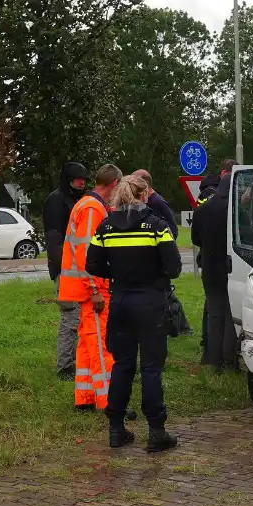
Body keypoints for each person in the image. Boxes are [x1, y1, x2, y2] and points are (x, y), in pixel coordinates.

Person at [86, 174, 183, 452]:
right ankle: (156, 432)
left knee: (122, 365)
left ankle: (116, 429)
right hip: (151, 303)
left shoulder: (105, 227)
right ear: (143, 195)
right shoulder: (156, 226)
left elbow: (92, 264)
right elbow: (174, 267)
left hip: (120, 302)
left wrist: (115, 273)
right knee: (151, 368)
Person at [58, 163, 122, 411]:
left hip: (85, 288)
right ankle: (109, 401)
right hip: (93, 289)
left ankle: (84, 398)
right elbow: (87, 252)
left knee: (86, 344)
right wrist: (95, 288)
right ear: (114, 184)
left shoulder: (86, 204)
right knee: (101, 345)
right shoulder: (93, 208)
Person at [43, 161, 88, 380]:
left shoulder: (79, 200)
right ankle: (65, 366)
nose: (82, 183)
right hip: (65, 269)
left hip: (79, 268)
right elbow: (54, 240)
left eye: (84, 179)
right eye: (78, 179)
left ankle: (76, 361)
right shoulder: (56, 201)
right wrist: (64, 269)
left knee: (80, 318)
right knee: (70, 317)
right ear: (68, 179)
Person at [191, 165, 237, 372]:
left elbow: (195, 238)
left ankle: (212, 357)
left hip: (209, 266)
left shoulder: (203, 208)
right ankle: (229, 361)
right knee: (229, 314)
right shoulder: (235, 209)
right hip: (230, 266)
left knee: (214, 313)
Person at [193, 172, 221, 361]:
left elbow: (196, 235)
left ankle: (207, 342)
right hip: (217, 258)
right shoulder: (216, 201)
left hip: (206, 257)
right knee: (214, 307)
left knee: (209, 305)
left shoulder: (200, 202)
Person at [130, 169, 179, 239]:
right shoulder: (138, 202)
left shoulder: (158, 203)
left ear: (145, 183)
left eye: (134, 183)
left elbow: (173, 230)